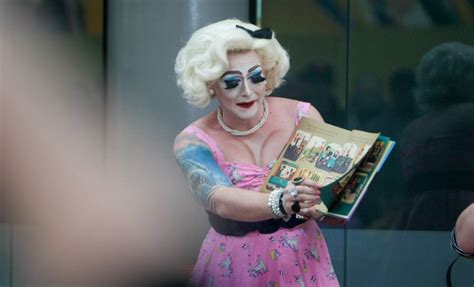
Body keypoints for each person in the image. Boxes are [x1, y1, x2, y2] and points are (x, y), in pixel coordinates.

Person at [173, 19, 339, 286]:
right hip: (233, 265)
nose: (247, 91)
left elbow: (329, 193)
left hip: (303, 259)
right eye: (231, 82)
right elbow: (219, 200)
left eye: (256, 77)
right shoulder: (193, 141)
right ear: (210, 84)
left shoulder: (303, 116)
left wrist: (325, 204)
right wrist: (281, 201)